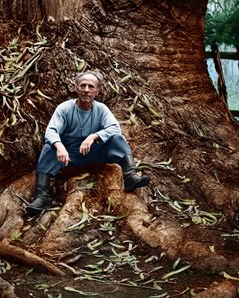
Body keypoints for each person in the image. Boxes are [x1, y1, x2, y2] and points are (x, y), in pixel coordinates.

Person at [26, 71, 150, 216]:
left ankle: (130, 176)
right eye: (83, 85)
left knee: (117, 138)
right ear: (76, 88)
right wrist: (59, 147)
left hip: (94, 152)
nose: (86, 90)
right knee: (49, 147)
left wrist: (94, 137)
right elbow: (51, 131)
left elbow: (114, 128)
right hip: (69, 155)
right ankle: (41, 197)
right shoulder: (64, 108)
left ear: (97, 91)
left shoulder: (101, 109)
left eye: (91, 87)